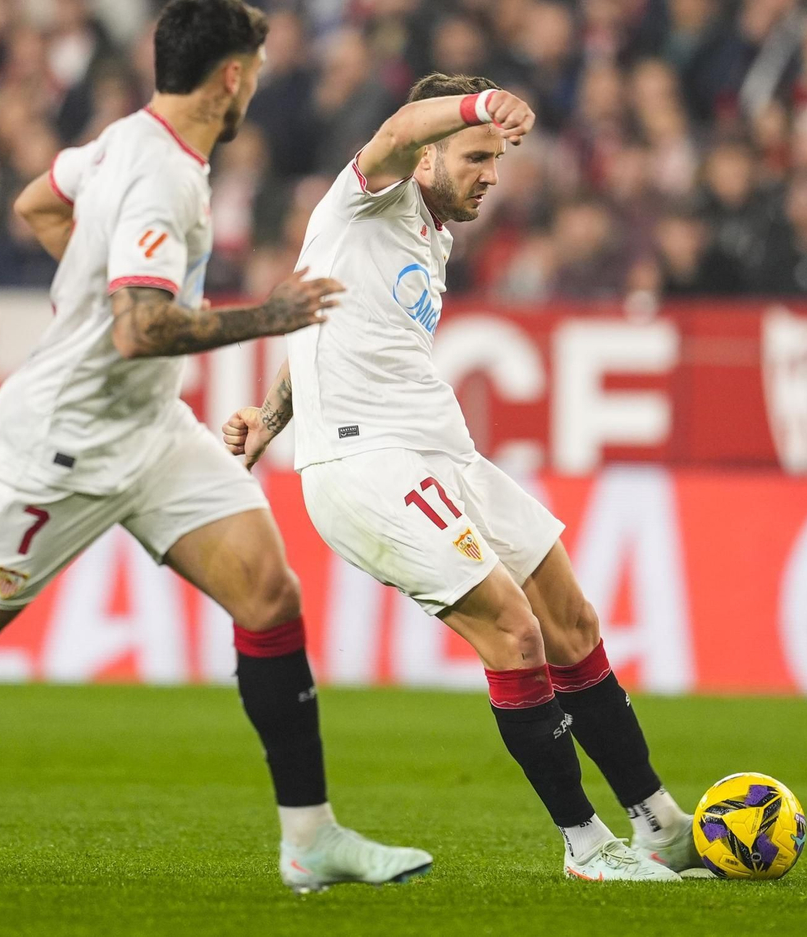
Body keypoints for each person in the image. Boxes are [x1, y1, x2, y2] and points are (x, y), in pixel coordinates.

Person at [0, 0, 430, 894]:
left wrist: (94, 273)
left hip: (149, 429)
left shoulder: (124, 139)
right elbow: (137, 331)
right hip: (65, 441)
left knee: (269, 594)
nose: (256, 92)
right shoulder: (163, 176)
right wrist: (267, 315)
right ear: (230, 77)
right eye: (256, 76)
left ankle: (310, 840)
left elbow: (41, 203)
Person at [224, 74, 697, 883]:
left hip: (445, 454)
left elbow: (323, 323)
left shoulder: (428, 237)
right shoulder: (366, 198)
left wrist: (267, 418)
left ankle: (656, 820)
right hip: (368, 463)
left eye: (497, 160)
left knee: (571, 619)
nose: (490, 172)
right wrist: (483, 106)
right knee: (514, 633)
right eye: (476, 156)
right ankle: (586, 846)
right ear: (426, 155)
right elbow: (400, 127)